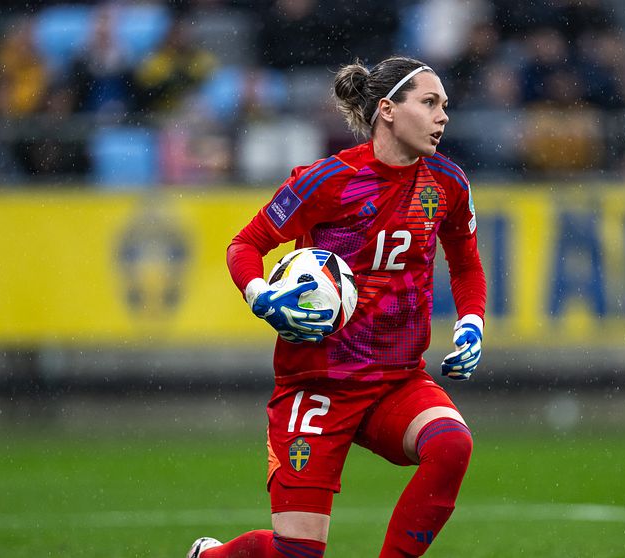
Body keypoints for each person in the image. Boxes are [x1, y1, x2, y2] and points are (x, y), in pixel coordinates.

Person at [188, 56, 486, 558]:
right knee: (297, 553)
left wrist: (472, 322)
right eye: (430, 103)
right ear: (388, 110)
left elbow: (466, 264)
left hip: (395, 380)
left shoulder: (448, 183)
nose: (443, 116)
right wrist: (260, 295)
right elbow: (245, 244)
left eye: (445, 105)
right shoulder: (328, 179)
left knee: (451, 444)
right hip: (317, 384)